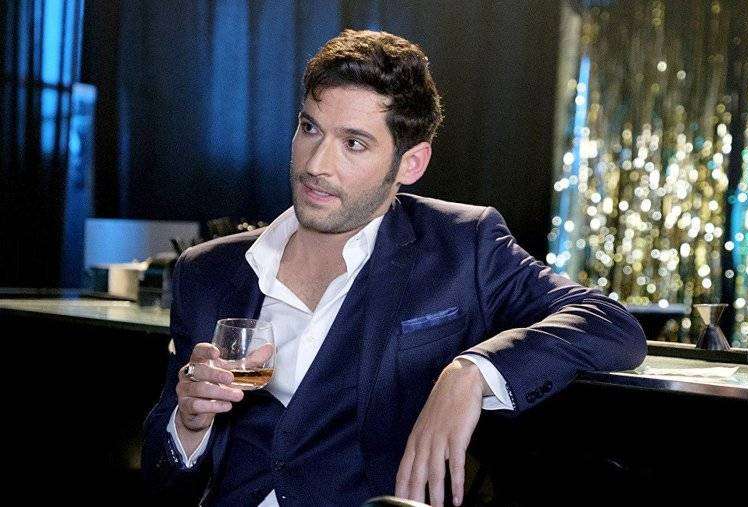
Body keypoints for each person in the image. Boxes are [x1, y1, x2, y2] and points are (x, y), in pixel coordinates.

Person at [142, 29, 647, 507]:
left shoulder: (463, 245)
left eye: (353, 143)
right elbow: (162, 480)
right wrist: (189, 423)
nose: (317, 164)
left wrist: (471, 372)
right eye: (310, 128)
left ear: (410, 164)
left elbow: (608, 322)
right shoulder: (207, 271)